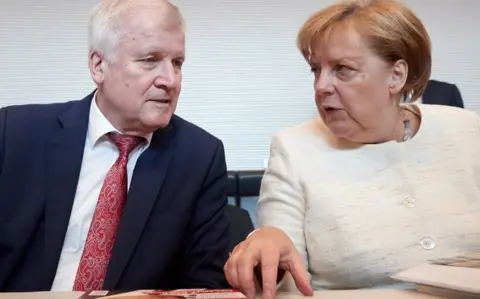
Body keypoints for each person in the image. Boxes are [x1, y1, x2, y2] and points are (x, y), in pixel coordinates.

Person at [224, 0, 480, 298]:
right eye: (316, 70)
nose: (321, 86)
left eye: (342, 69)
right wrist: (266, 246)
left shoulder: (467, 130)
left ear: (396, 75)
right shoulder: (294, 149)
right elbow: (284, 281)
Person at [0, 0, 230, 292]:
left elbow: (205, 284)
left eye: (177, 63)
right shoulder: (14, 132)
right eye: (149, 60)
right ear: (98, 66)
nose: (170, 80)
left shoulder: (199, 156)